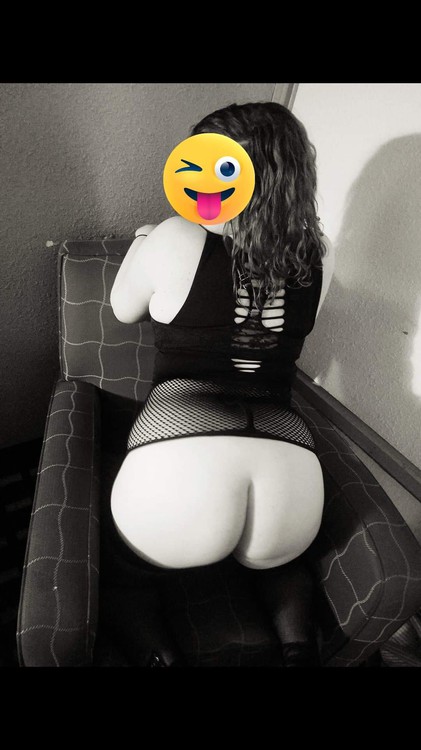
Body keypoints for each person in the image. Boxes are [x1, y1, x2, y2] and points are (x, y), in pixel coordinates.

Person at [106, 101, 335, 667]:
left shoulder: (172, 236)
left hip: (184, 446)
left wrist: (147, 241)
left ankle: (157, 654)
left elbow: (122, 309)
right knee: (281, 563)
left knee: (126, 568)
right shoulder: (316, 252)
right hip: (289, 475)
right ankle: (297, 645)